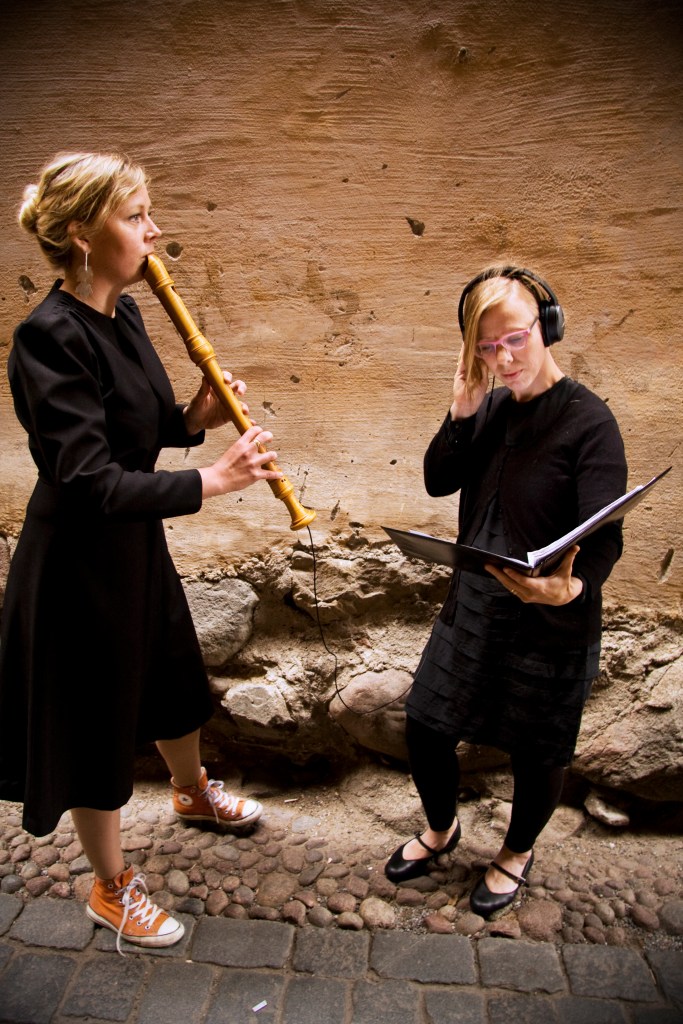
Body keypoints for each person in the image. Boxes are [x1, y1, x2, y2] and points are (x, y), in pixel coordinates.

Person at [0, 152, 285, 950]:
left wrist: (193, 416)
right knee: (95, 717)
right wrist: (214, 479)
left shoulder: (123, 313)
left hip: (132, 543)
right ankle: (110, 885)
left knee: (169, 673)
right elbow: (89, 477)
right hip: (77, 560)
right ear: (81, 234)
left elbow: (139, 425)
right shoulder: (47, 338)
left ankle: (190, 792)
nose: (154, 231)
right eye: (135, 216)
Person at [384, 265, 627, 919]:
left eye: (515, 339)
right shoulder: (488, 408)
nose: (503, 358)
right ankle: (441, 830)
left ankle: (515, 853)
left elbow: (606, 535)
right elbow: (438, 480)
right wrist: (461, 414)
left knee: (537, 749)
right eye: (487, 347)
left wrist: (570, 588)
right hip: (474, 605)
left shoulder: (589, 421)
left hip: (551, 619)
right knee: (425, 724)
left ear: (547, 328)